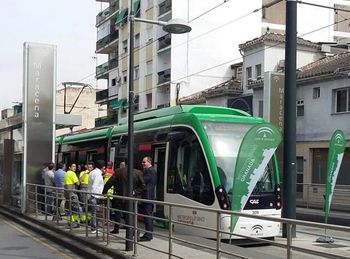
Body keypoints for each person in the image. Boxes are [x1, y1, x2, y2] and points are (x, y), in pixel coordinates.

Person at [103, 165, 144, 235]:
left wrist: (104, 191)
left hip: (119, 197)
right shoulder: (138, 173)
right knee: (131, 215)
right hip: (132, 198)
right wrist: (135, 192)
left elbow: (110, 182)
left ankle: (116, 228)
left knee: (117, 213)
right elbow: (142, 185)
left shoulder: (119, 171)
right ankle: (133, 230)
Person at [140, 156, 157, 241]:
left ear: (149, 162)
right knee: (147, 216)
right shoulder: (150, 170)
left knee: (148, 216)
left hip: (147, 196)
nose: (142, 163)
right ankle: (148, 234)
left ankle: (148, 235)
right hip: (148, 196)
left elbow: (143, 182)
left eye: (144, 162)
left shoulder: (149, 171)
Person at [87, 160, 105, 233]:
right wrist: (93, 196)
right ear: (103, 167)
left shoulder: (93, 172)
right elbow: (94, 186)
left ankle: (93, 227)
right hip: (95, 196)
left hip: (92, 195)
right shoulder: (97, 174)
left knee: (93, 212)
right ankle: (94, 228)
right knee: (94, 212)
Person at [64, 163, 81, 228]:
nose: (75, 168)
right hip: (72, 193)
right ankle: (75, 222)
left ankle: (70, 222)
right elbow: (78, 183)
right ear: (69, 167)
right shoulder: (72, 173)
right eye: (73, 166)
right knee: (75, 208)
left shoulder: (66, 173)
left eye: (75, 166)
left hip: (67, 193)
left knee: (69, 208)